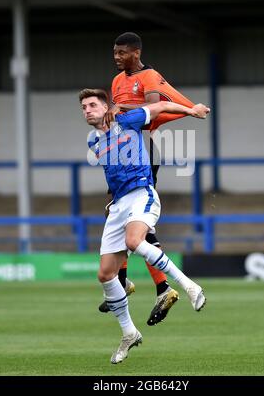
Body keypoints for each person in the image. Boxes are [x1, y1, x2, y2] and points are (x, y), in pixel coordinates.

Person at [79, 88, 210, 364]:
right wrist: (112, 204)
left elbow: (161, 105)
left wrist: (191, 110)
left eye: (92, 105)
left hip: (142, 194)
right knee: (105, 275)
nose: (87, 110)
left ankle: (189, 286)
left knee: (134, 242)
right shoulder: (94, 141)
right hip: (118, 205)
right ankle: (129, 332)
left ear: (106, 108)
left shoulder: (127, 121)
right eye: (83, 107)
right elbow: (114, 173)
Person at [99, 31, 208, 326]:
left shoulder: (148, 76)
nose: (116, 57)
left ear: (135, 53)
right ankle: (154, 287)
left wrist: (120, 110)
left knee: (134, 221)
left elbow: (153, 107)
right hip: (120, 151)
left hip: (143, 150)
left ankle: (136, 284)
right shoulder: (117, 80)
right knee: (118, 214)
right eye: (114, 52)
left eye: (121, 52)